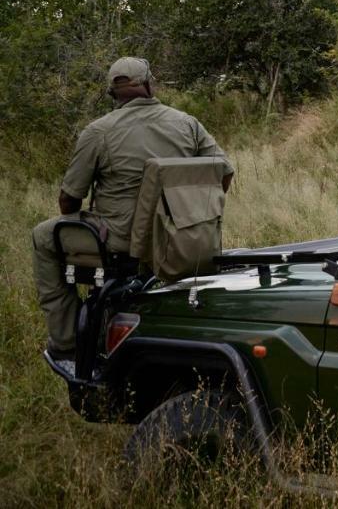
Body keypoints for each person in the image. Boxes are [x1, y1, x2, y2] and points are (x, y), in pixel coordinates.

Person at [32, 57, 234, 369]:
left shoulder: (98, 131)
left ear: (114, 94)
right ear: (150, 85)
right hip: (177, 235)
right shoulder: (187, 123)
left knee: (43, 235)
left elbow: (69, 201)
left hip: (119, 240)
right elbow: (224, 173)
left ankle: (65, 343)